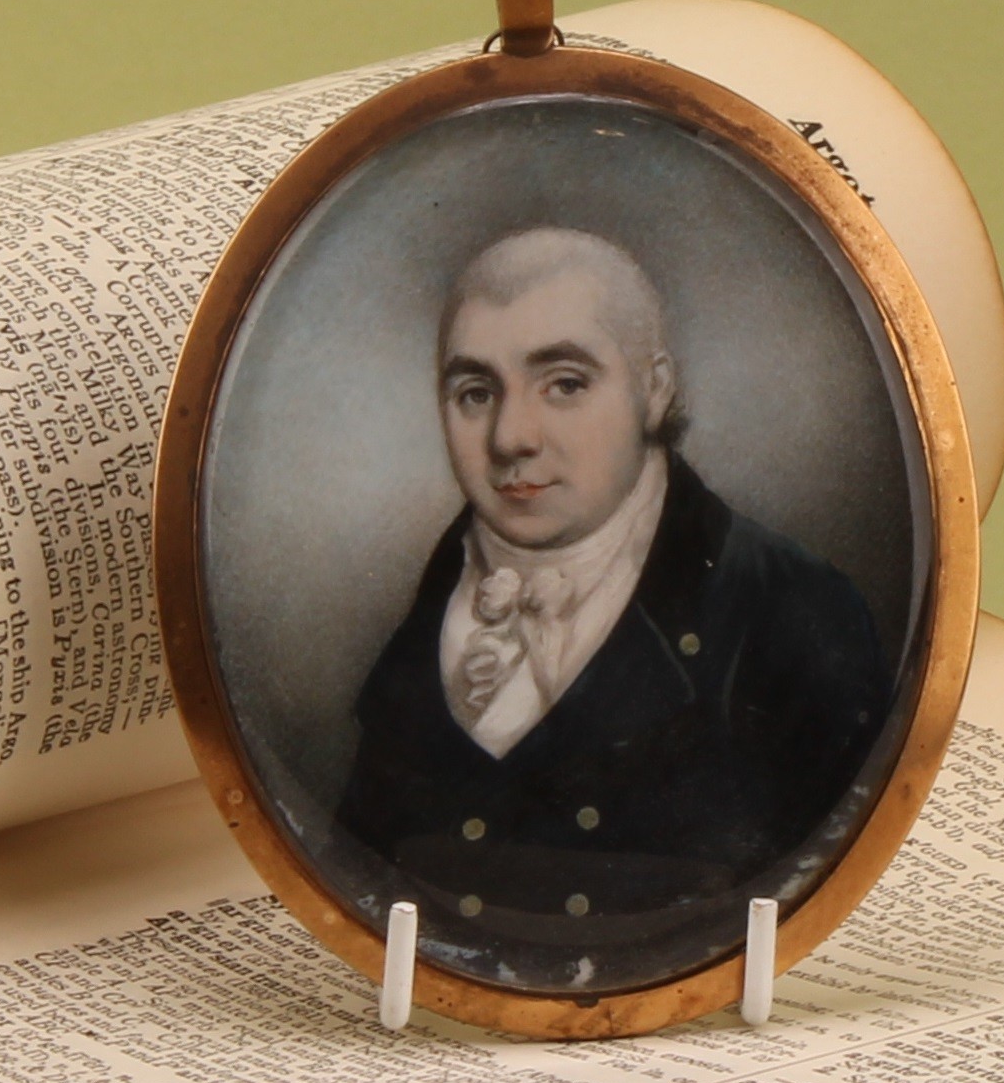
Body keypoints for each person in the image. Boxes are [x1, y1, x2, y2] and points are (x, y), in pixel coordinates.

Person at [336, 228, 889, 922]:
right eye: (475, 392)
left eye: (564, 383)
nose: (511, 437)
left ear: (653, 389)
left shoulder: (797, 613)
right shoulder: (426, 621)